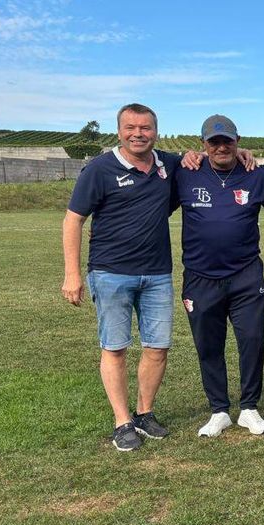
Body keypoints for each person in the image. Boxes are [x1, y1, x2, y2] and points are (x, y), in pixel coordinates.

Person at [62, 103, 181, 451]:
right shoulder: (100, 169)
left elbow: (203, 156)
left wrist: (244, 152)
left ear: (156, 131)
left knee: (157, 348)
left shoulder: (167, 165)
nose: (138, 134)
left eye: (145, 128)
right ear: (119, 131)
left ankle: (144, 413)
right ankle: (122, 421)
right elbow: (73, 220)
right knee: (115, 348)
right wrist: (72, 273)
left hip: (158, 274)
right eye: (131, 127)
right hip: (111, 273)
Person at [174, 115, 264, 437]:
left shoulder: (255, 175)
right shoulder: (184, 173)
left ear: (237, 142)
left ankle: (249, 408)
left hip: (245, 274)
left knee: (252, 341)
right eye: (214, 142)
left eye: (227, 141)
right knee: (208, 345)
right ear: (203, 144)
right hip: (200, 277)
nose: (221, 147)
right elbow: (148, 202)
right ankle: (218, 410)